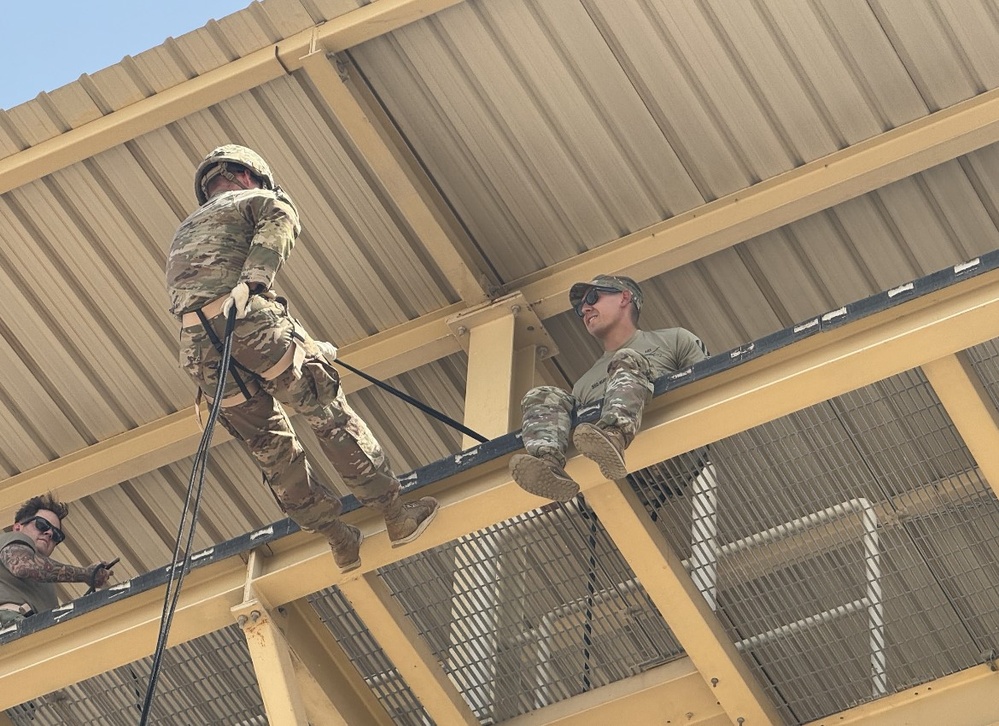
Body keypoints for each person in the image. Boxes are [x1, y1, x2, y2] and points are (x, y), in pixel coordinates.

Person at [166, 144, 438, 573]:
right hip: (250, 325)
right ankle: (395, 516)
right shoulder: (254, 199)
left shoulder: (185, 228)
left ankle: (338, 538)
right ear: (249, 175)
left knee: (268, 448)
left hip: (199, 349)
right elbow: (281, 219)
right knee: (326, 413)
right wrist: (255, 282)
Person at [510, 275, 709, 502]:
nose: (585, 309)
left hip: (671, 456)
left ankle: (615, 436)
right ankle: (550, 467)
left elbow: (708, 386)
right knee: (543, 395)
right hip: (617, 476)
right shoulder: (583, 385)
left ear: (625, 297)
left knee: (626, 358)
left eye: (593, 297)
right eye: (579, 308)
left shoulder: (673, 340)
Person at [0, 495, 115, 628]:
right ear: (18, 527)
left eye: (56, 535)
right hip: (9, 623)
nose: (49, 533)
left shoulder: (46, 585)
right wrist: (86, 574)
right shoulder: (12, 539)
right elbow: (22, 566)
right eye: (41, 525)